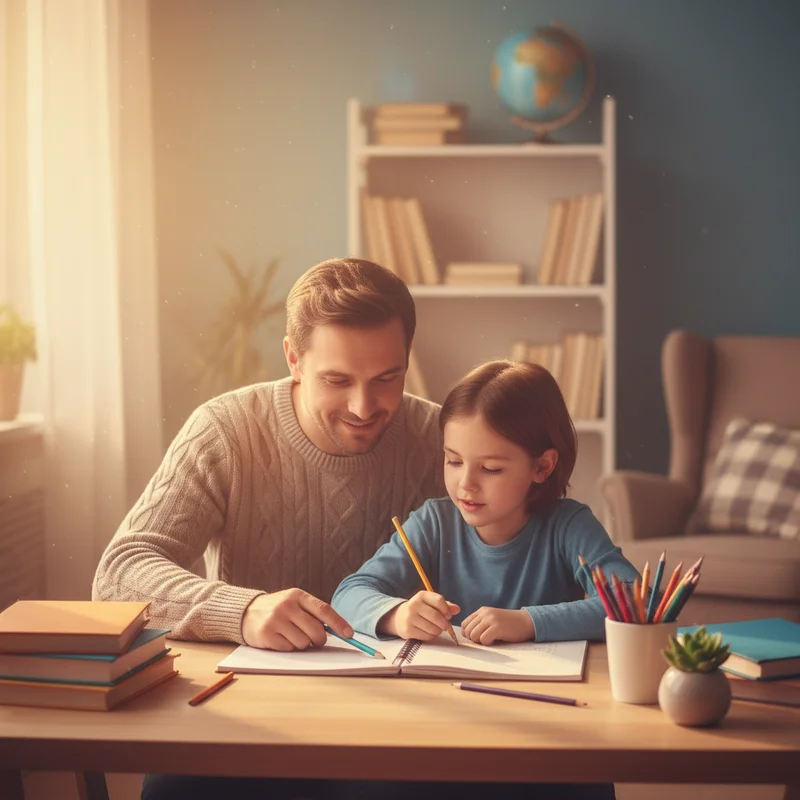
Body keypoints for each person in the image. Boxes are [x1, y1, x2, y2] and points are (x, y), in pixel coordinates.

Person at [91, 257, 445, 799]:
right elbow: (118, 574)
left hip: (400, 713)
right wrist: (243, 610)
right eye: (336, 380)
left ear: (406, 360)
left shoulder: (438, 437)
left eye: (386, 378)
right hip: (246, 710)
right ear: (293, 359)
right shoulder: (226, 429)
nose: (364, 406)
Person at [331, 359, 642, 800]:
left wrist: (528, 622)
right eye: (453, 461)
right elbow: (349, 593)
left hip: (553, 733)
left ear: (542, 466)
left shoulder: (568, 525)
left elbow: (633, 599)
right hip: (448, 727)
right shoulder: (434, 522)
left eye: (491, 469)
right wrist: (398, 614)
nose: (466, 485)